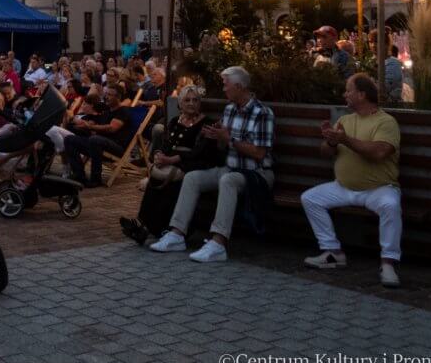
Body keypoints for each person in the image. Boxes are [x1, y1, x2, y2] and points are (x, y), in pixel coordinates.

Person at [149, 65, 274, 262]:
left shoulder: (262, 113)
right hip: (230, 168)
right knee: (192, 178)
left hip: (256, 173)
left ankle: (218, 242)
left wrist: (229, 139)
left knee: (228, 181)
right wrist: (216, 137)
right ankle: (177, 234)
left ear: (239, 86)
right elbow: (223, 147)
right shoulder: (230, 109)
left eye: (226, 85)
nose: (223, 89)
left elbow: (259, 153)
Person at [300, 73, 402, 288]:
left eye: (349, 90)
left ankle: (388, 262)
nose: (344, 94)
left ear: (362, 95)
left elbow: (379, 152)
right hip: (344, 187)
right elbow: (325, 153)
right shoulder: (345, 120)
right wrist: (330, 142)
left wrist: (345, 139)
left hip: (378, 188)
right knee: (310, 198)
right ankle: (333, 252)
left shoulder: (386, 122)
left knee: (391, 206)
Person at [121, 84, 222, 245]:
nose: (191, 103)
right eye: (187, 100)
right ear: (180, 103)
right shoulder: (176, 121)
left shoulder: (206, 123)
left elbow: (199, 151)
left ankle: (164, 228)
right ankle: (144, 224)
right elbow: (166, 144)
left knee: (172, 180)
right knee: (156, 176)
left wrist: (172, 159)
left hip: (194, 162)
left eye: (195, 100)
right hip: (174, 161)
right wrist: (159, 154)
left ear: (200, 103)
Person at [62, 85, 133, 187]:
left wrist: (91, 127)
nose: (106, 97)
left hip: (117, 147)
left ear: (118, 97)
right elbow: (96, 124)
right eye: (106, 94)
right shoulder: (107, 111)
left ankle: (96, 179)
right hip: (98, 144)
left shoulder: (123, 111)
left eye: (109, 95)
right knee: (69, 139)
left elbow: (112, 128)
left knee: (95, 139)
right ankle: (79, 175)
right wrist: (84, 125)